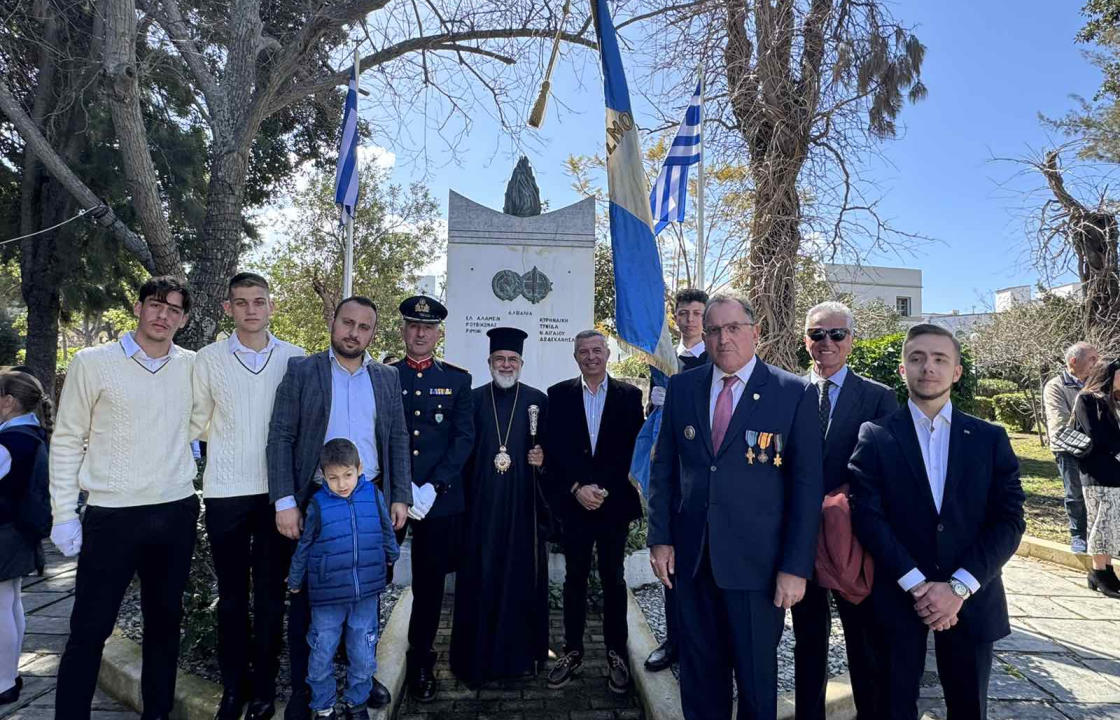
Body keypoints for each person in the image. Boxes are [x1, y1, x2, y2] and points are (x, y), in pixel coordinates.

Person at [647, 293, 823, 720]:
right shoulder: (684, 387)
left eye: (733, 328)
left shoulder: (792, 392)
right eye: (713, 330)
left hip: (757, 569)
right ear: (703, 337)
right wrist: (660, 539)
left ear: (754, 333)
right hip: (692, 562)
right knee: (700, 678)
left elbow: (806, 488)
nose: (723, 339)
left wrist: (795, 567)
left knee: (756, 685)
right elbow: (664, 468)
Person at [849, 323, 1025, 719]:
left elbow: (1010, 520)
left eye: (940, 359)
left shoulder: (989, 438)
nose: (928, 367)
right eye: (917, 358)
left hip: (974, 600)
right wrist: (918, 585)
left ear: (957, 371)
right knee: (892, 708)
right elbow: (868, 516)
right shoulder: (875, 435)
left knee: (968, 709)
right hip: (897, 598)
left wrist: (958, 588)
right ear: (902, 370)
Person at [50, 276, 200, 720]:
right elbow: (66, 438)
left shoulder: (193, 366)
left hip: (174, 512)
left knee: (164, 627)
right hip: (111, 516)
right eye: (156, 305)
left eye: (174, 310)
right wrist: (63, 514)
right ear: (138, 308)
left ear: (184, 319)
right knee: (88, 630)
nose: (163, 316)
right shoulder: (92, 362)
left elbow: (207, 422)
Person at [266, 296, 412, 719]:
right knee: (310, 598)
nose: (354, 333)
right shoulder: (303, 371)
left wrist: (399, 495)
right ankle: (305, 691)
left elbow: (398, 438)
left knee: (363, 594)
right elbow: (280, 437)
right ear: (333, 322)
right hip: (316, 499)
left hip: (371, 501)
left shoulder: (385, 378)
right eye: (347, 323)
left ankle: (360, 685)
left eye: (364, 327)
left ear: (373, 333)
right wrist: (286, 501)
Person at [191, 272, 306, 720]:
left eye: (259, 301)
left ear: (271, 306)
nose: (251, 310)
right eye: (241, 303)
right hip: (225, 494)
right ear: (228, 309)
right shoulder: (207, 359)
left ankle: (263, 690)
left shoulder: (294, 360)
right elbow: (197, 423)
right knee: (233, 596)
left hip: (278, 497)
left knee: (272, 597)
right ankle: (233, 688)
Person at [792, 302, 898, 720]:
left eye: (837, 334)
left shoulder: (877, 396)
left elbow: (887, 472)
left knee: (862, 639)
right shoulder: (787, 393)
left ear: (851, 340)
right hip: (799, 539)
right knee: (808, 639)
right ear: (806, 340)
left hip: (851, 540)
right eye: (818, 335)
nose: (827, 343)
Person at [545, 330, 644, 694]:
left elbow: (631, 451)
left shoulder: (631, 397)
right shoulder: (558, 395)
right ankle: (572, 651)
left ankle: (616, 653)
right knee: (574, 579)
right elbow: (554, 451)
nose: (591, 356)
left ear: (608, 354)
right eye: (584, 351)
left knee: (614, 581)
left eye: (597, 350)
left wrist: (603, 490)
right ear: (575, 357)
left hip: (612, 505)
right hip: (575, 506)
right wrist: (576, 489)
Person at [450, 327, 549, 686]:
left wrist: (543, 460)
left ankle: (518, 658)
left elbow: (553, 458)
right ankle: (475, 659)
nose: (506, 364)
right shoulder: (473, 400)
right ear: (489, 362)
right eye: (499, 359)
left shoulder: (538, 401)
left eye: (512, 359)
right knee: (480, 578)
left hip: (522, 509)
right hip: (481, 510)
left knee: (518, 579)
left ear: (521, 363)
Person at [389, 296, 474, 701]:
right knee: (375, 577)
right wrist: (402, 488)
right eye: (413, 326)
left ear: (438, 334)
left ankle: (421, 659)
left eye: (428, 328)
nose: (420, 333)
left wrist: (434, 487)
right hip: (392, 499)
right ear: (404, 330)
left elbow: (463, 440)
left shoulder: (458, 380)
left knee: (429, 587)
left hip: (437, 502)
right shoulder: (384, 375)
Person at [287, 439, 399, 719]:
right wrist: (295, 578)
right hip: (328, 596)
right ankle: (323, 706)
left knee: (363, 651)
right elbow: (305, 544)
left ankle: (357, 702)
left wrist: (391, 554)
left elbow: (386, 528)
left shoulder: (372, 494)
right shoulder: (318, 504)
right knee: (322, 650)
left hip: (365, 593)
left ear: (360, 468)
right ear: (322, 476)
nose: (342, 484)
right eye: (333, 477)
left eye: (348, 475)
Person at [645, 286, 709, 672]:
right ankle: (674, 642)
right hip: (674, 484)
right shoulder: (663, 362)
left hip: (705, 483)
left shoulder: (715, 361)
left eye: (696, 313)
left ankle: (704, 647)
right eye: (682, 313)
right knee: (674, 570)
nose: (688, 320)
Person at [0, 371, 53, 707]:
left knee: (3, 606)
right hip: (19, 532)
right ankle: (8, 675)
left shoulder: (10, 442)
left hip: (4, 532)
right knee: (11, 602)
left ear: (8, 401)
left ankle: (3, 681)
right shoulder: (33, 434)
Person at [1071, 358, 1120, 598]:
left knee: (1112, 524)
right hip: (1098, 473)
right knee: (1102, 522)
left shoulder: (1115, 400)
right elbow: (1097, 434)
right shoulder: (1088, 399)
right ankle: (1099, 571)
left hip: (1115, 473)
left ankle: (1106, 568)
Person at [1044, 342, 1099, 554]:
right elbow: (1059, 423)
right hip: (1067, 448)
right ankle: (1078, 536)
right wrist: (1090, 443)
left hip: (1096, 449)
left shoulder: (1096, 384)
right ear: (1073, 362)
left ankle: (1098, 535)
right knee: (1075, 493)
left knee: (1098, 493)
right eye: (1091, 359)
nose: (1096, 363)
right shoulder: (1056, 386)